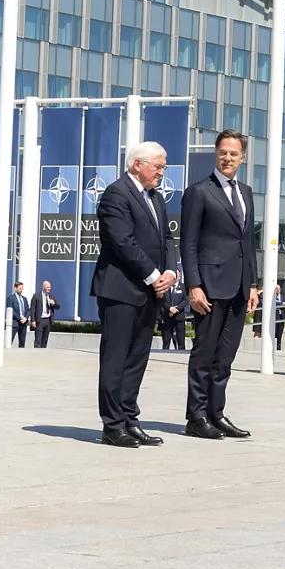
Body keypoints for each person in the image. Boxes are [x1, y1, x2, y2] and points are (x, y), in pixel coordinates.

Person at [90, 141, 177, 449]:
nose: (162, 173)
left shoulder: (157, 199)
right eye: (158, 166)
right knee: (116, 359)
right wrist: (153, 276)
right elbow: (122, 241)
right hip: (120, 290)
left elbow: (166, 238)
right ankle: (112, 425)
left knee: (137, 359)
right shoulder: (116, 194)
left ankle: (130, 419)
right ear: (137, 164)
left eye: (163, 167)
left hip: (150, 292)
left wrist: (170, 271)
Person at [181, 129, 259, 439]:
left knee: (225, 356)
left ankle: (216, 413)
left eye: (234, 153)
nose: (228, 157)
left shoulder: (247, 192)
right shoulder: (199, 191)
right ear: (216, 154)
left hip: (239, 287)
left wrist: (252, 284)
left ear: (243, 157)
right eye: (223, 152)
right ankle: (196, 416)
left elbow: (247, 242)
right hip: (209, 286)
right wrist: (193, 285)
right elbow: (188, 243)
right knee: (204, 354)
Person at [158, 272, 188, 351]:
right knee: (166, 342)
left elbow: (186, 300)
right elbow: (161, 300)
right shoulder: (166, 286)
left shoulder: (183, 287)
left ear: (179, 276)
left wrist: (176, 309)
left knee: (181, 341)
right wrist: (170, 308)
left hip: (179, 317)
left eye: (177, 275)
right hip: (167, 316)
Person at [33, 280, 58, 348]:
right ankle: (36, 354)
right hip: (40, 320)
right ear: (43, 287)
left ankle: (43, 354)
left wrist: (54, 304)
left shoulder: (51, 296)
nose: (49, 289)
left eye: (50, 287)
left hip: (48, 320)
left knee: (45, 340)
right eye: (47, 287)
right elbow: (32, 309)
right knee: (38, 339)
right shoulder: (36, 296)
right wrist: (33, 320)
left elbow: (58, 306)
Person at [7, 282, 30, 349]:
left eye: (22, 288)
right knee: (9, 340)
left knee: (22, 343)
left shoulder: (24, 299)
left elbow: (28, 310)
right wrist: (20, 318)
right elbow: (11, 311)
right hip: (15, 323)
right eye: (20, 288)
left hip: (24, 323)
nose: (21, 290)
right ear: (15, 288)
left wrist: (25, 318)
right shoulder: (10, 298)